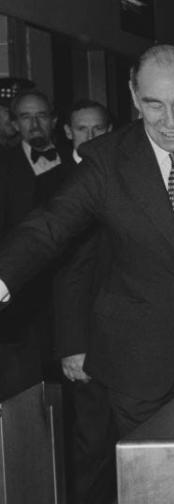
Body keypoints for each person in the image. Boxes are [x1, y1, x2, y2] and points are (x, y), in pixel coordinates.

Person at [0, 44, 174, 436]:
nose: (170, 121)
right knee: (153, 483)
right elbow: (50, 224)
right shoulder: (106, 160)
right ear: (135, 97)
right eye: (154, 105)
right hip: (140, 360)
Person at [52, 99, 116, 504]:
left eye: (99, 129)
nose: (91, 137)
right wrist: (72, 343)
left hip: (126, 330)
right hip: (85, 336)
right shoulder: (57, 184)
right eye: (82, 129)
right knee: (91, 441)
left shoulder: (122, 172)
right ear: (68, 131)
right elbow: (66, 272)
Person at [0, 89, 67, 398]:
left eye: (41, 115)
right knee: (30, 384)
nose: (35, 124)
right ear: (14, 124)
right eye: (26, 117)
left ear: (54, 120)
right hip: (23, 295)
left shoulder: (79, 158)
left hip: (70, 285)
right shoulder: (3, 165)